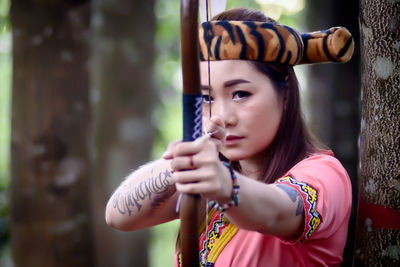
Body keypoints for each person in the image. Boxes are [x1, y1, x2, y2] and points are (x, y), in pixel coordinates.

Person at [105, 8, 354, 267]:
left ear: (286, 93)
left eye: (240, 94)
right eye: (207, 98)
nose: (221, 117)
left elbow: (275, 212)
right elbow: (118, 216)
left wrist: (226, 186)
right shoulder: (211, 177)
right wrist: (180, 162)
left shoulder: (325, 174)